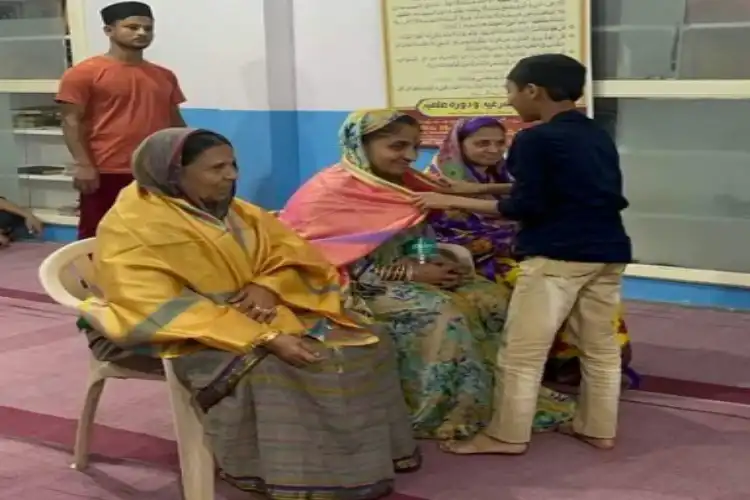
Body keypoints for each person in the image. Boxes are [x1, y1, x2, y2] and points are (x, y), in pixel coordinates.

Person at [78, 127, 420, 499]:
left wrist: (268, 285)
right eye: (216, 168)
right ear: (175, 174)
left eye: (233, 164)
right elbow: (153, 305)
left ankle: (359, 463)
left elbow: (297, 257)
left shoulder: (239, 212)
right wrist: (266, 338)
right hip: (179, 332)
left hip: (256, 312)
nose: (232, 175)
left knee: (369, 340)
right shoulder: (131, 224)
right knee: (287, 365)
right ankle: (296, 475)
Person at [278, 110, 575, 440]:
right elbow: (317, 263)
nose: (409, 156)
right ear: (360, 144)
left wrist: (438, 263)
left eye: (415, 147)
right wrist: (407, 272)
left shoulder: (404, 184)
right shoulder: (328, 192)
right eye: (397, 146)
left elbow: (418, 238)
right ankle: (447, 409)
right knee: (442, 313)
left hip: (412, 272)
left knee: (491, 297)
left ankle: (505, 401)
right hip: (355, 287)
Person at [417, 54, 632, 455]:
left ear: (532, 90)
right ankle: (598, 427)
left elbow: (524, 207)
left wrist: (443, 197)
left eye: (511, 92)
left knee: (521, 351)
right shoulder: (594, 132)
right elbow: (560, 189)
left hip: (557, 255)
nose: (511, 102)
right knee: (600, 346)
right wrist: (478, 190)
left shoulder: (535, 139)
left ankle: (506, 435)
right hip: (608, 249)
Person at [426, 116, 637, 389]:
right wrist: (496, 242)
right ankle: (564, 362)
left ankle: (578, 362)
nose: (493, 149)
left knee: (582, 289)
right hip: (480, 259)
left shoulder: (506, 174)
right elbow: (439, 232)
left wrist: (484, 193)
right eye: (482, 143)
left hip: (526, 249)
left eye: (500, 143)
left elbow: (531, 201)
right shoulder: (438, 183)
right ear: (458, 144)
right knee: (540, 286)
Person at [56, 1, 186, 240]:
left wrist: (184, 159)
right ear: (109, 31)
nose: (141, 33)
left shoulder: (164, 75)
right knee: (98, 233)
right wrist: (84, 165)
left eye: (148, 28)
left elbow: (174, 121)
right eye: (132, 27)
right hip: (105, 168)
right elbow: (70, 121)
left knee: (154, 232)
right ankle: (93, 277)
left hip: (153, 169)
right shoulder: (84, 73)